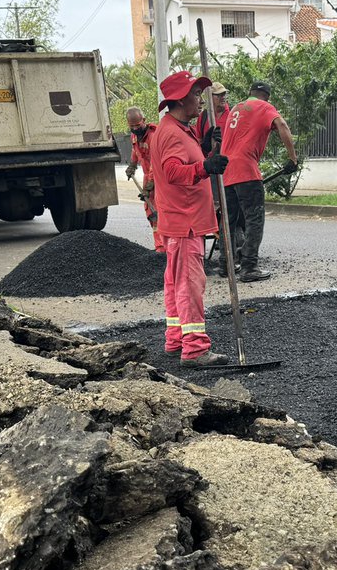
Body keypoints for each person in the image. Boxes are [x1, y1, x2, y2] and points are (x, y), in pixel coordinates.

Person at [150, 70, 231, 368]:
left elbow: (186, 160)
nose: (200, 100)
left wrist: (206, 147)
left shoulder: (176, 128)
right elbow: (173, 171)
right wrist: (206, 167)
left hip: (180, 219)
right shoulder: (172, 133)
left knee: (174, 282)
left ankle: (176, 338)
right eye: (195, 94)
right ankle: (195, 349)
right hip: (186, 222)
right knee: (189, 284)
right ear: (181, 99)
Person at [218, 80, 298, 281]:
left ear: (250, 92)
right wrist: (292, 158)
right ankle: (249, 267)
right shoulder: (264, 107)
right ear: (267, 96)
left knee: (229, 220)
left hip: (227, 171)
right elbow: (282, 125)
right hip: (246, 170)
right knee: (254, 219)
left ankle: (225, 264)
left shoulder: (236, 108)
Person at [123, 107, 162, 253]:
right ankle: (160, 247)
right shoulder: (135, 136)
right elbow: (135, 151)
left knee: (159, 212)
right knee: (151, 213)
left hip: (160, 178)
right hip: (149, 178)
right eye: (131, 126)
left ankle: (164, 248)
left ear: (144, 121)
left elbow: (155, 164)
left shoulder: (153, 136)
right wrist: (132, 166)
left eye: (137, 125)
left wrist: (149, 186)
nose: (135, 129)